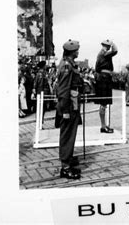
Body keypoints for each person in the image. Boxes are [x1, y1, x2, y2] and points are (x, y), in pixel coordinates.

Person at [55, 39, 82, 179]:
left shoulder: (70, 64)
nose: (78, 52)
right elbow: (64, 89)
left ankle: (68, 159)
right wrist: (65, 111)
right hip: (68, 106)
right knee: (67, 135)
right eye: (76, 50)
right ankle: (65, 167)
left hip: (73, 104)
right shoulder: (67, 66)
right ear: (72, 52)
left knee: (71, 133)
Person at [94, 39, 118, 133]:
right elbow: (115, 50)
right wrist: (113, 43)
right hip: (104, 78)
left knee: (104, 103)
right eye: (107, 46)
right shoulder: (104, 53)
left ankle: (104, 125)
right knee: (103, 103)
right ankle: (103, 126)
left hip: (104, 78)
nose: (108, 48)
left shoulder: (101, 53)